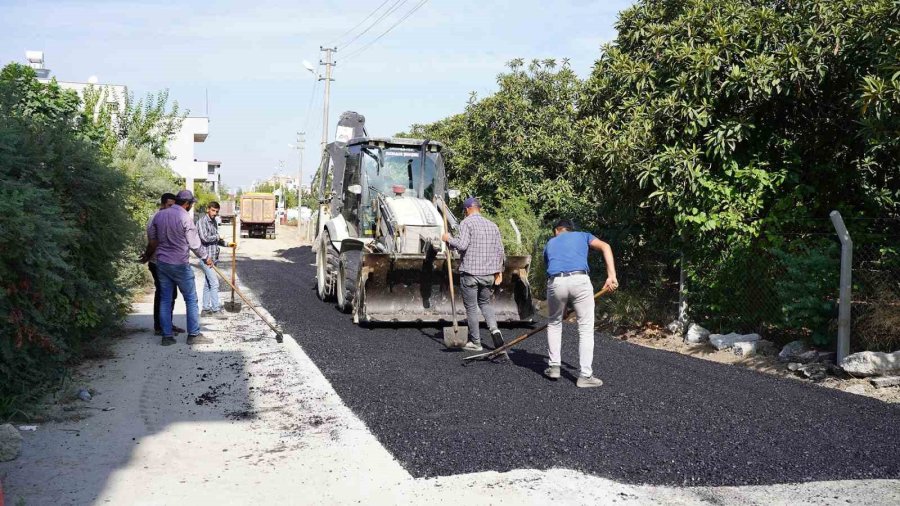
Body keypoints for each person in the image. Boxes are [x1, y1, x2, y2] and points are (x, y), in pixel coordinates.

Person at [542, 219, 618, 388]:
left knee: (554, 324)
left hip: (556, 282)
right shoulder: (583, 236)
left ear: (557, 231)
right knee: (585, 329)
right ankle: (585, 376)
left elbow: (549, 269)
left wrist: (561, 309)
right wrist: (611, 276)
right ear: (571, 229)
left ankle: (554, 367)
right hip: (580, 280)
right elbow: (606, 246)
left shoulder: (550, 243)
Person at [140, 190, 214, 346]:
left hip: (162, 264)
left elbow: (153, 240)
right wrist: (206, 258)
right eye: (191, 204)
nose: (190, 206)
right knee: (191, 299)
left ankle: (167, 336)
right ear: (187, 204)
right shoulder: (185, 218)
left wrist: (147, 256)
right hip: (179, 264)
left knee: (165, 299)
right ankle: (193, 334)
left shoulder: (159, 216)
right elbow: (194, 244)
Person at [441, 197, 506, 354]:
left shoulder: (466, 223)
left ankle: (476, 342)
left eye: (465, 211)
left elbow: (462, 245)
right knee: (485, 303)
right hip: (488, 275)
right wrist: (499, 271)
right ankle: (495, 331)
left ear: (468, 209)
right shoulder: (493, 226)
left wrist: (448, 238)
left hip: (470, 274)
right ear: (479, 208)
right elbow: (500, 251)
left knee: (471, 307)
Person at [147, 193, 184, 336]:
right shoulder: (155, 218)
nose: (171, 208)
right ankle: (160, 327)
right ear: (162, 204)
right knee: (164, 294)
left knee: (171, 294)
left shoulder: (171, 218)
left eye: (174, 206)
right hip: (158, 262)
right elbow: (153, 242)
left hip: (170, 262)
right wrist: (147, 255)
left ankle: (167, 324)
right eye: (169, 205)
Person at [197, 201, 228, 318]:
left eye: (216, 211)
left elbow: (216, 239)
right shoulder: (201, 222)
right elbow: (204, 238)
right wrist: (217, 237)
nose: (215, 213)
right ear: (208, 209)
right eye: (213, 210)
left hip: (213, 258)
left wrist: (227, 244)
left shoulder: (214, 222)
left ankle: (205, 309)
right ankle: (215, 310)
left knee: (208, 284)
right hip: (205, 258)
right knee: (214, 283)